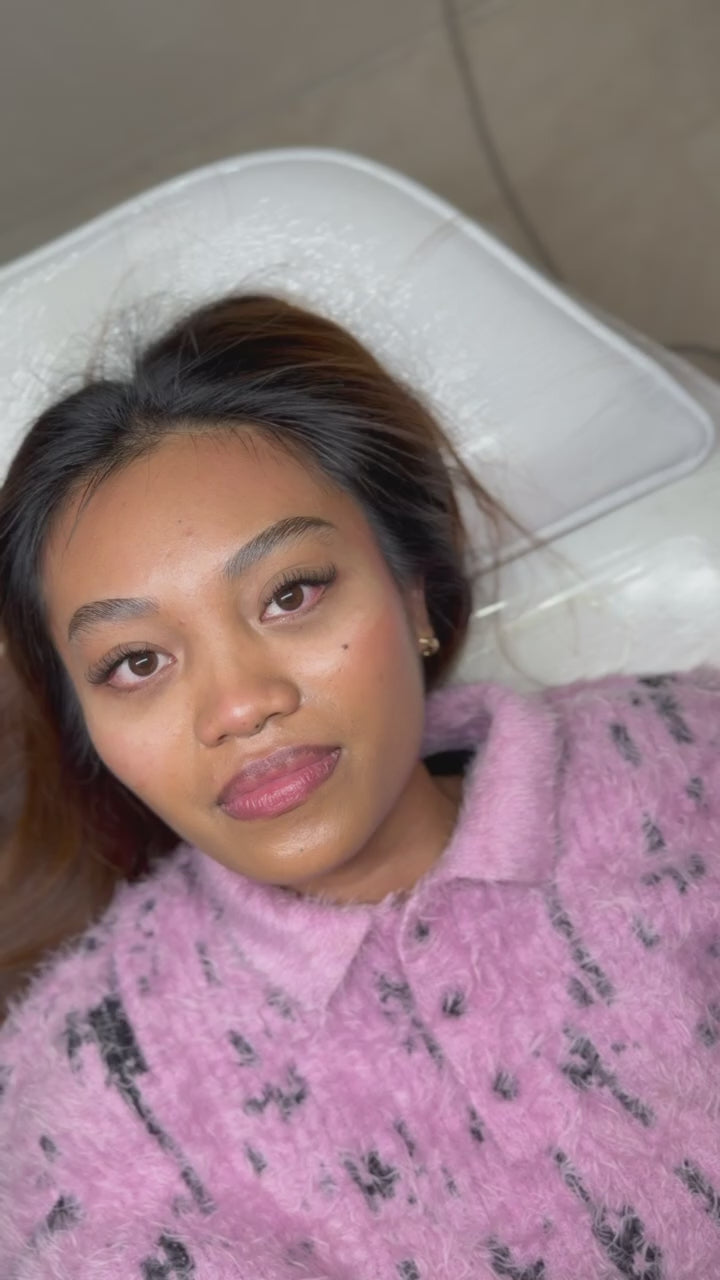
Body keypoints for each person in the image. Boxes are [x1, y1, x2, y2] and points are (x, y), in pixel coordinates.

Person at [0, 293, 718, 1280]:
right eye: (136, 662)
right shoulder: (90, 1101)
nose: (240, 705)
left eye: (290, 595)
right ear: (89, 731)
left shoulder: (692, 763)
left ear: (413, 590)